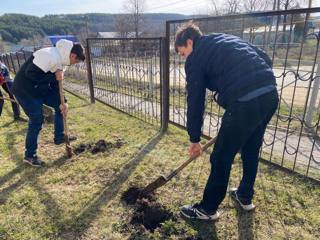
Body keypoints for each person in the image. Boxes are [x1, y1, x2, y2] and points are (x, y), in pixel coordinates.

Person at [175, 22, 279, 220]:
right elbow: (264, 58)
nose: (184, 58)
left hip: (245, 102)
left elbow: (195, 99)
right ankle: (244, 196)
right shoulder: (225, 39)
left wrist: (194, 139)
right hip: (270, 95)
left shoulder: (195, 58)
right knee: (251, 148)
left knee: (221, 156)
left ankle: (207, 209)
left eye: (182, 53)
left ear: (189, 42)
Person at [12, 39, 85, 167]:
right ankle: (30, 155)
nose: (75, 63)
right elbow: (31, 74)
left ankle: (59, 137)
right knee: (37, 120)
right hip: (25, 90)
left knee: (60, 106)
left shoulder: (63, 63)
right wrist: (54, 76)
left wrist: (64, 102)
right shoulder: (48, 55)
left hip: (40, 88)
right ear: (73, 55)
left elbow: (57, 84)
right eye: (76, 61)